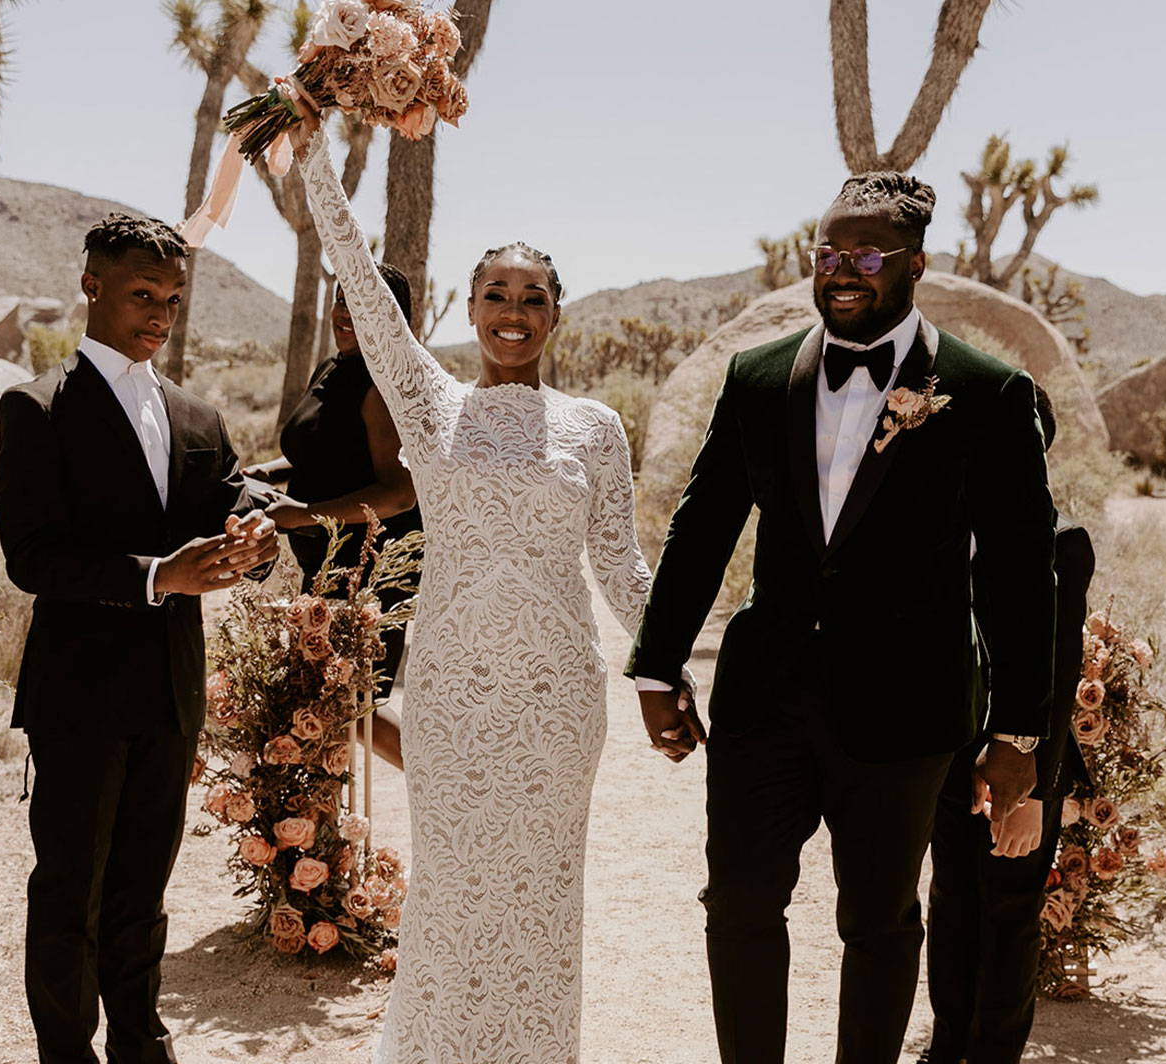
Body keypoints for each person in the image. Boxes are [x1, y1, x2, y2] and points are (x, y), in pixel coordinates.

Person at [289, 105, 687, 1064]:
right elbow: (356, 274)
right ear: (467, 310)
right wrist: (306, 146)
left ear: (557, 313)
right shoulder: (430, 406)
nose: (514, 312)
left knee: (544, 894)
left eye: (535, 296)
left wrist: (671, 670)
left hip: (558, 700)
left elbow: (619, 565)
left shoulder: (594, 427)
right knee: (459, 889)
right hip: (456, 695)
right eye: (496, 294)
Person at [628, 173, 1057, 1064]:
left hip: (904, 711)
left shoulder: (985, 391)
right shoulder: (755, 377)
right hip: (763, 699)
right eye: (827, 252)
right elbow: (704, 524)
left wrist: (1019, 732)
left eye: (865, 254)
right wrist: (657, 666)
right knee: (738, 906)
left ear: (915, 265)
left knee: (880, 924)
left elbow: (1022, 571)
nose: (842, 270)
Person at [0, 213, 278, 1064]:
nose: (159, 314)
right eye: (142, 295)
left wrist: (256, 539)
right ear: (92, 286)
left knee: (144, 888)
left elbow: (234, 503)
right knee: (70, 890)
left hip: (170, 690)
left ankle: (141, 1045)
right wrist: (159, 576)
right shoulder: (37, 406)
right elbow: (32, 558)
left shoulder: (196, 414)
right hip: (78, 693)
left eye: (173, 299)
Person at [919, 386, 1096, 1064]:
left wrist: (1044, 793)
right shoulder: (941, 538)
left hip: (1029, 768)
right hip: (950, 763)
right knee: (952, 907)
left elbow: (1059, 670)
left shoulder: (1062, 546)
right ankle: (946, 1050)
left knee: (1010, 917)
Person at [243, 264, 422, 768]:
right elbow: (321, 453)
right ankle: (322, 836)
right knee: (320, 704)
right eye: (342, 299)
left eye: (362, 303)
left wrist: (302, 515)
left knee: (352, 705)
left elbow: (399, 493)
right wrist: (265, 472)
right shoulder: (332, 367)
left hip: (369, 574)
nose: (347, 313)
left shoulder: (381, 386)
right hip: (324, 569)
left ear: (390, 316)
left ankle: (447, 789)